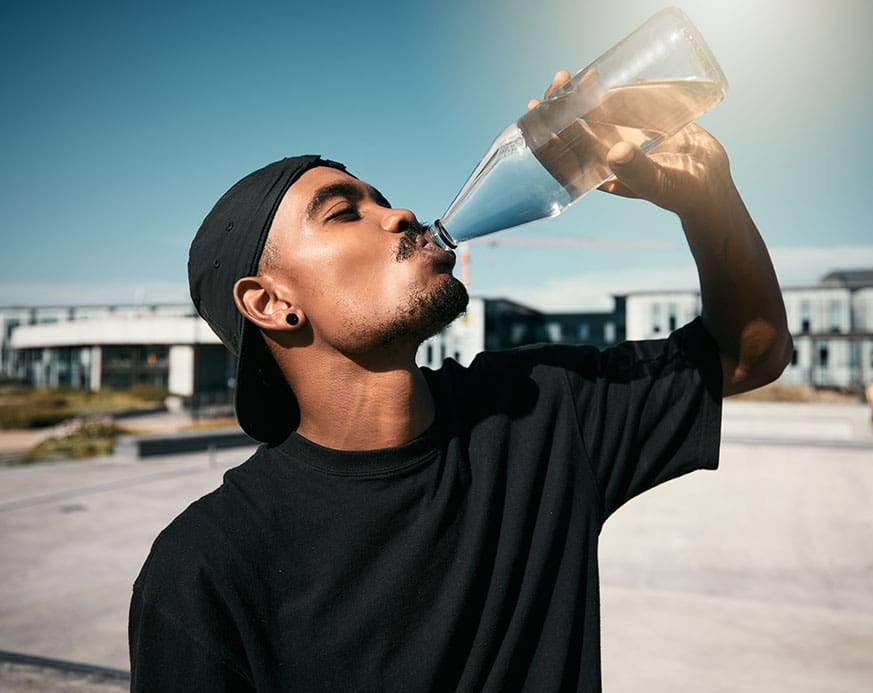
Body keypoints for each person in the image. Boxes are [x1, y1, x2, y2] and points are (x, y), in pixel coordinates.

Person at [128, 70, 792, 692]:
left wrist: (707, 199)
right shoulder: (206, 568)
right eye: (342, 212)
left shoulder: (538, 408)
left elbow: (746, 353)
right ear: (270, 303)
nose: (399, 214)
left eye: (381, 200)